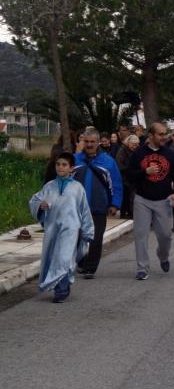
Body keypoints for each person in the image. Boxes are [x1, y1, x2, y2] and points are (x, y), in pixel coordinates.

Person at [29, 152, 95, 302]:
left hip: (70, 229)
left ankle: (62, 290)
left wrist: (88, 231)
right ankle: (59, 286)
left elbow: (84, 210)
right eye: (58, 164)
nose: (60, 167)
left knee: (64, 258)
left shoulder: (77, 188)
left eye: (64, 165)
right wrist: (40, 205)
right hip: (52, 229)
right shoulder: (49, 186)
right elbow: (34, 200)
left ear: (71, 168)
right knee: (53, 257)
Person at [127, 122, 174, 280]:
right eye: (160, 134)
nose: (164, 137)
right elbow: (130, 175)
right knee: (140, 235)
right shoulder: (138, 153)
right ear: (151, 135)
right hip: (142, 199)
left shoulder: (169, 154)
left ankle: (163, 256)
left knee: (165, 235)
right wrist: (145, 171)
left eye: (165, 134)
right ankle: (142, 268)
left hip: (163, 200)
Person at [73, 128, 123, 279]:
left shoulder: (108, 161)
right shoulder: (74, 160)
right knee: (76, 238)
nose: (89, 145)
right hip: (76, 207)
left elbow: (116, 184)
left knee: (96, 239)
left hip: (99, 207)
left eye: (92, 142)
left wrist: (115, 204)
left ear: (98, 142)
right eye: (86, 141)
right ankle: (81, 262)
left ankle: (90, 268)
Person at [116, 134, 140, 218]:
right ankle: (123, 213)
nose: (134, 146)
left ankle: (131, 212)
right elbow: (119, 164)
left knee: (132, 196)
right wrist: (129, 170)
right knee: (125, 195)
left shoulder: (138, 150)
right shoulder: (122, 151)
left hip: (134, 176)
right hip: (124, 176)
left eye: (136, 145)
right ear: (128, 143)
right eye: (133, 144)